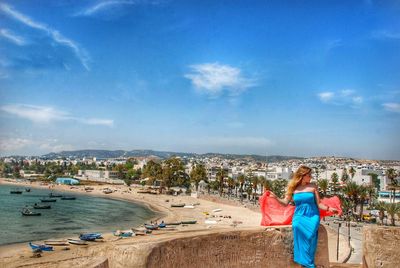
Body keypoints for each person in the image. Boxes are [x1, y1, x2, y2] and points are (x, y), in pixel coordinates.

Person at [264, 165, 339, 268]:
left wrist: (329, 208)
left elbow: (319, 203)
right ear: (302, 175)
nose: (311, 177)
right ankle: (307, 264)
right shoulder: (293, 188)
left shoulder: (313, 187)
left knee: (310, 236)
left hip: (312, 215)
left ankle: (307, 263)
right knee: (296, 226)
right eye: (309, 175)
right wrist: (275, 197)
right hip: (299, 216)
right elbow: (285, 202)